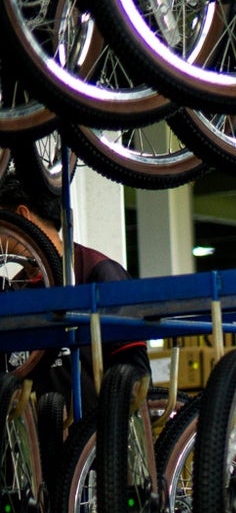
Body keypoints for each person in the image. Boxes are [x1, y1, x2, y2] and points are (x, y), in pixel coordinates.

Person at [1, 171, 136, 415]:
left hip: (94, 433)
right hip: (40, 434)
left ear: (22, 217)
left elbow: (133, 369)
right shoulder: (17, 289)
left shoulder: (98, 271)